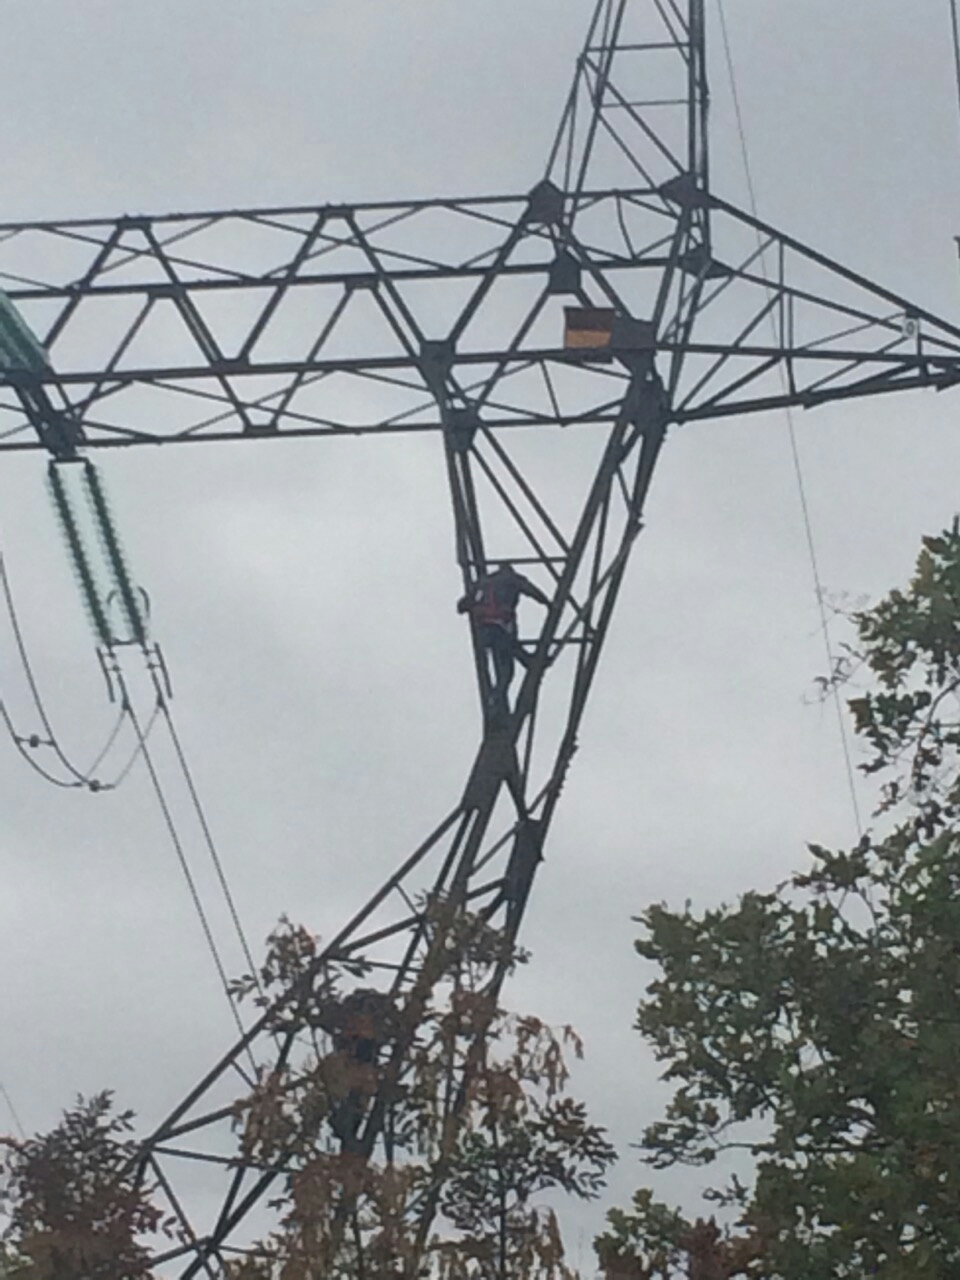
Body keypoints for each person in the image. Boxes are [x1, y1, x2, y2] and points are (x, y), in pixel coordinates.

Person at [457, 562, 550, 703]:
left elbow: (462, 605)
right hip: (501, 627)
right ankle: (530, 664)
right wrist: (548, 603)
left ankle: (497, 697)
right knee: (507, 669)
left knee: (507, 658)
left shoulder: (483, 581)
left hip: (484, 629)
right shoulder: (513, 579)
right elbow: (533, 592)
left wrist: (470, 605)